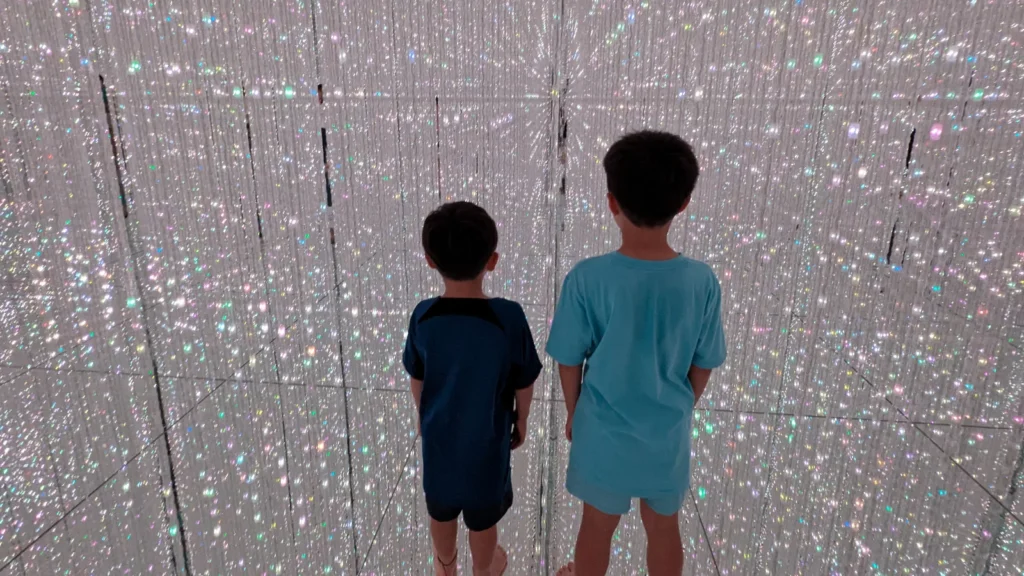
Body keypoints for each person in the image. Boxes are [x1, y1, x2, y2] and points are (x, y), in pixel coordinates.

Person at [547, 131, 727, 576]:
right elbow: (704, 362)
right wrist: (682, 405)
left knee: (596, 525)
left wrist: (575, 411)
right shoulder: (700, 282)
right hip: (666, 433)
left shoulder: (588, 279)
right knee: (664, 526)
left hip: (602, 430)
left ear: (612, 203)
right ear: (684, 203)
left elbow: (568, 358)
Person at [403, 201, 543, 576]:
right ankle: (484, 568)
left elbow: (417, 374)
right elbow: (524, 378)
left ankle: (445, 565)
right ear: (492, 260)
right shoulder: (508, 317)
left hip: (439, 439)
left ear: (430, 261)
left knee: (441, 507)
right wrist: (522, 420)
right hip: (487, 441)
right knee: (483, 519)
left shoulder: (424, 316)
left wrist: (423, 417)